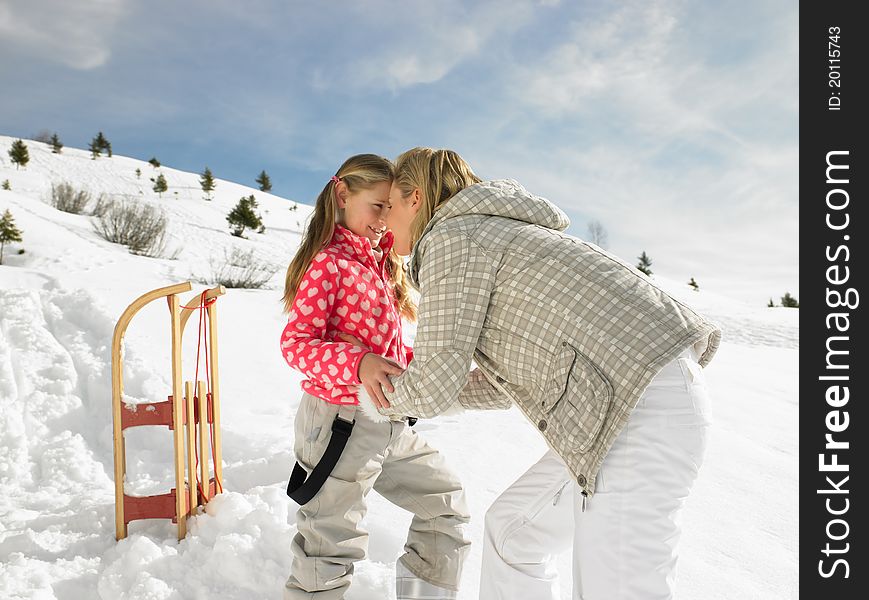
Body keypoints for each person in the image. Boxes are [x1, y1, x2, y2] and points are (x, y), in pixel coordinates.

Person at [363, 147, 721, 599]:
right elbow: (497, 387)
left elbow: (433, 385)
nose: (383, 223)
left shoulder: (456, 237)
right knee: (514, 534)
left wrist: (375, 392)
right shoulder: (498, 233)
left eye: (389, 206)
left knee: (616, 589)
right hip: (630, 404)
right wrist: (431, 385)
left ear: (414, 199)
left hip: (635, 411)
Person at [279, 153, 470, 600]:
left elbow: (383, 348)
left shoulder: (379, 265)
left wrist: (413, 363)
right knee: (330, 543)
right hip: (339, 425)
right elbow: (296, 344)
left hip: (387, 421)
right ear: (343, 195)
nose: (385, 219)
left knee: (445, 504)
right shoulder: (330, 263)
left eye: (392, 208)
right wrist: (358, 363)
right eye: (377, 206)